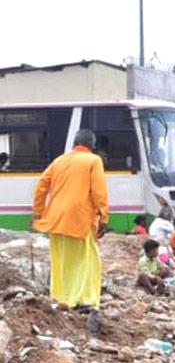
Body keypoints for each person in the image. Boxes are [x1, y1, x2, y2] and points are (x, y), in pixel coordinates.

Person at [32, 129, 109, 309]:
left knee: (61, 261)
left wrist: (38, 211)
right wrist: (103, 216)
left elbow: (41, 186)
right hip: (80, 218)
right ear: (93, 145)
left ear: (75, 143)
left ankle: (61, 298)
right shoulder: (93, 160)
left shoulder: (59, 160)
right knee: (87, 260)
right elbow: (99, 192)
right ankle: (84, 299)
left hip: (55, 219)